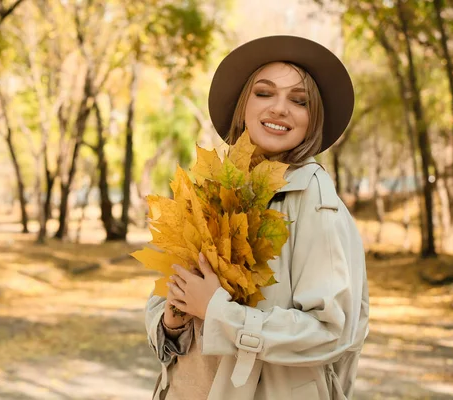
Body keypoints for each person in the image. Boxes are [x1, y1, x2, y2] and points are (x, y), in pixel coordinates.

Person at [145, 35, 369, 400]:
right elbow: (163, 298)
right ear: (242, 106)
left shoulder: (313, 200)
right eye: (264, 93)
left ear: (313, 119)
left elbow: (331, 331)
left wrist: (219, 312)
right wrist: (172, 320)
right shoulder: (215, 187)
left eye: (299, 100)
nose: (280, 108)